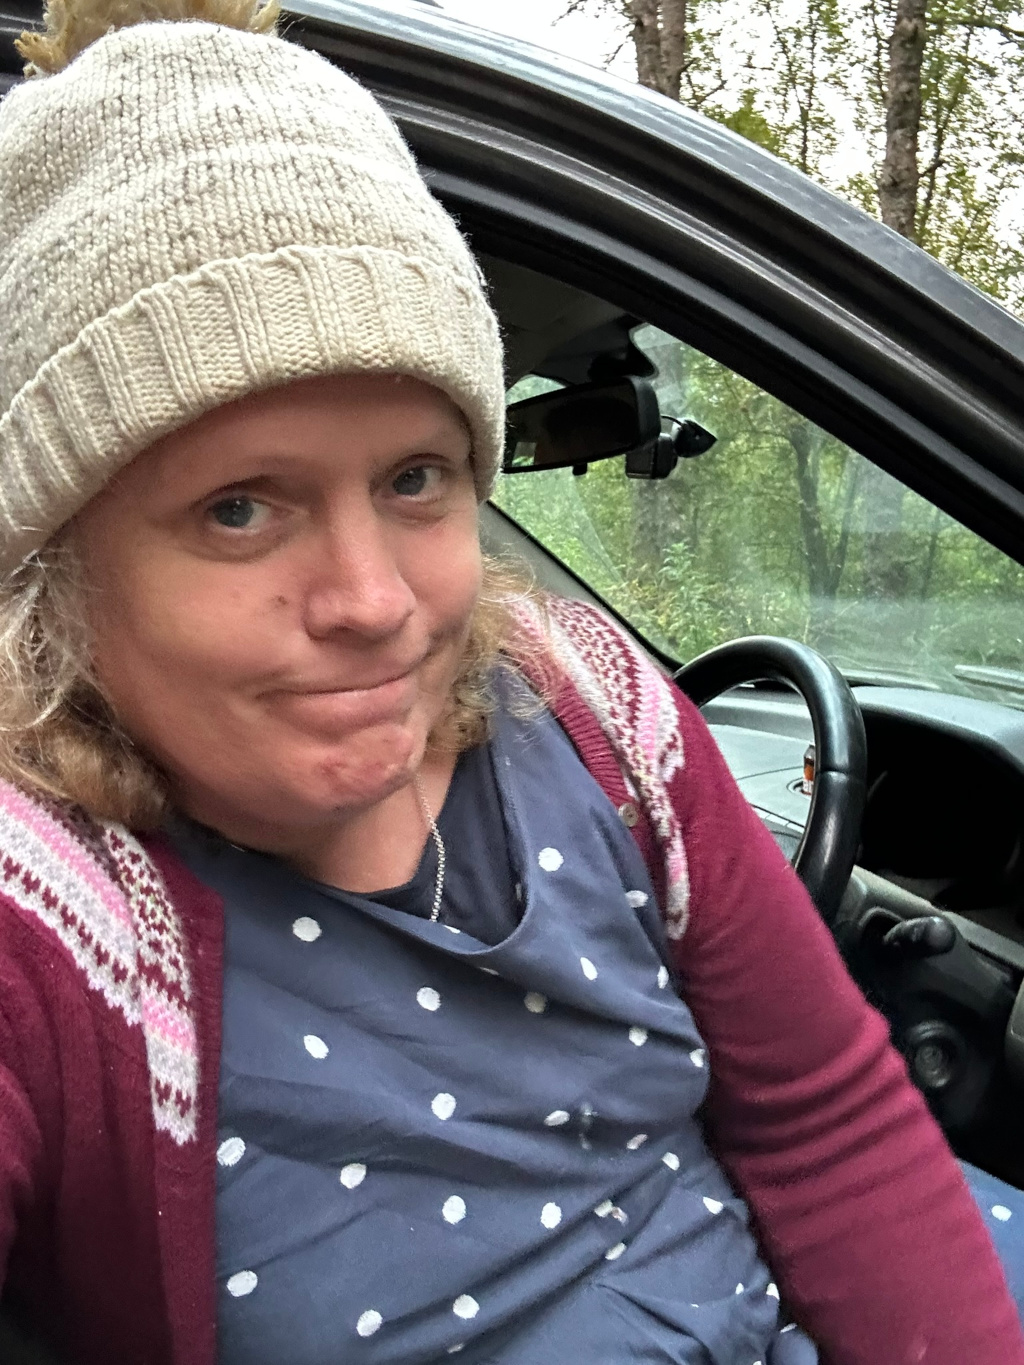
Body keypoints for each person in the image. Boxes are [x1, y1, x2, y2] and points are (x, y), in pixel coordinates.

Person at [0, 2, 1022, 1362]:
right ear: (59, 569)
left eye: (415, 478)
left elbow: (825, 1117)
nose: (375, 601)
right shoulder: (49, 904)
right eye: (240, 508)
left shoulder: (591, 708)